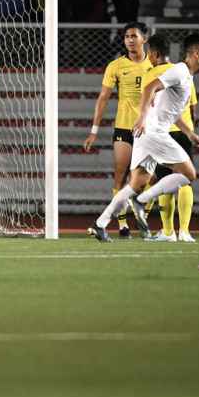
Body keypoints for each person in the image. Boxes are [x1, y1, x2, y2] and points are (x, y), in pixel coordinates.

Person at [90, 33, 199, 242]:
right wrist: (142, 118)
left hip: (147, 134)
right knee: (189, 174)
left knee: (135, 184)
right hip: (153, 132)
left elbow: (170, 112)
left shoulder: (185, 75)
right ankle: (143, 201)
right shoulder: (180, 71)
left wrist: (189, 133)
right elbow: (149, 87)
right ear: (196, 54)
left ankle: (100, 224)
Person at [83, 23, 151, 238]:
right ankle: (122, 225)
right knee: (120, 175)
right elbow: (103, 98)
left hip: (149, 130)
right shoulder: (116, 66)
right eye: (126, 37)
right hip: (124, 127)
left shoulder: (156, 65)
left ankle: (143, 217)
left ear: (145, 39)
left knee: (147, 179)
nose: (130, 40)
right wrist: (94, 130)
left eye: (134, 36)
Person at [140, 33, 199, 243]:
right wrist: (190, 132)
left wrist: (141, 122)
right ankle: (185, 230)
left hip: (162, 133)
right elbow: (192, 107)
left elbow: (150, 104)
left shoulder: (151, 74)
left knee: (165, 180)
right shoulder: (182, 72)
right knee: (185, 181)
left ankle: (168, 232)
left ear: (153, 54)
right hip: (182, 132)